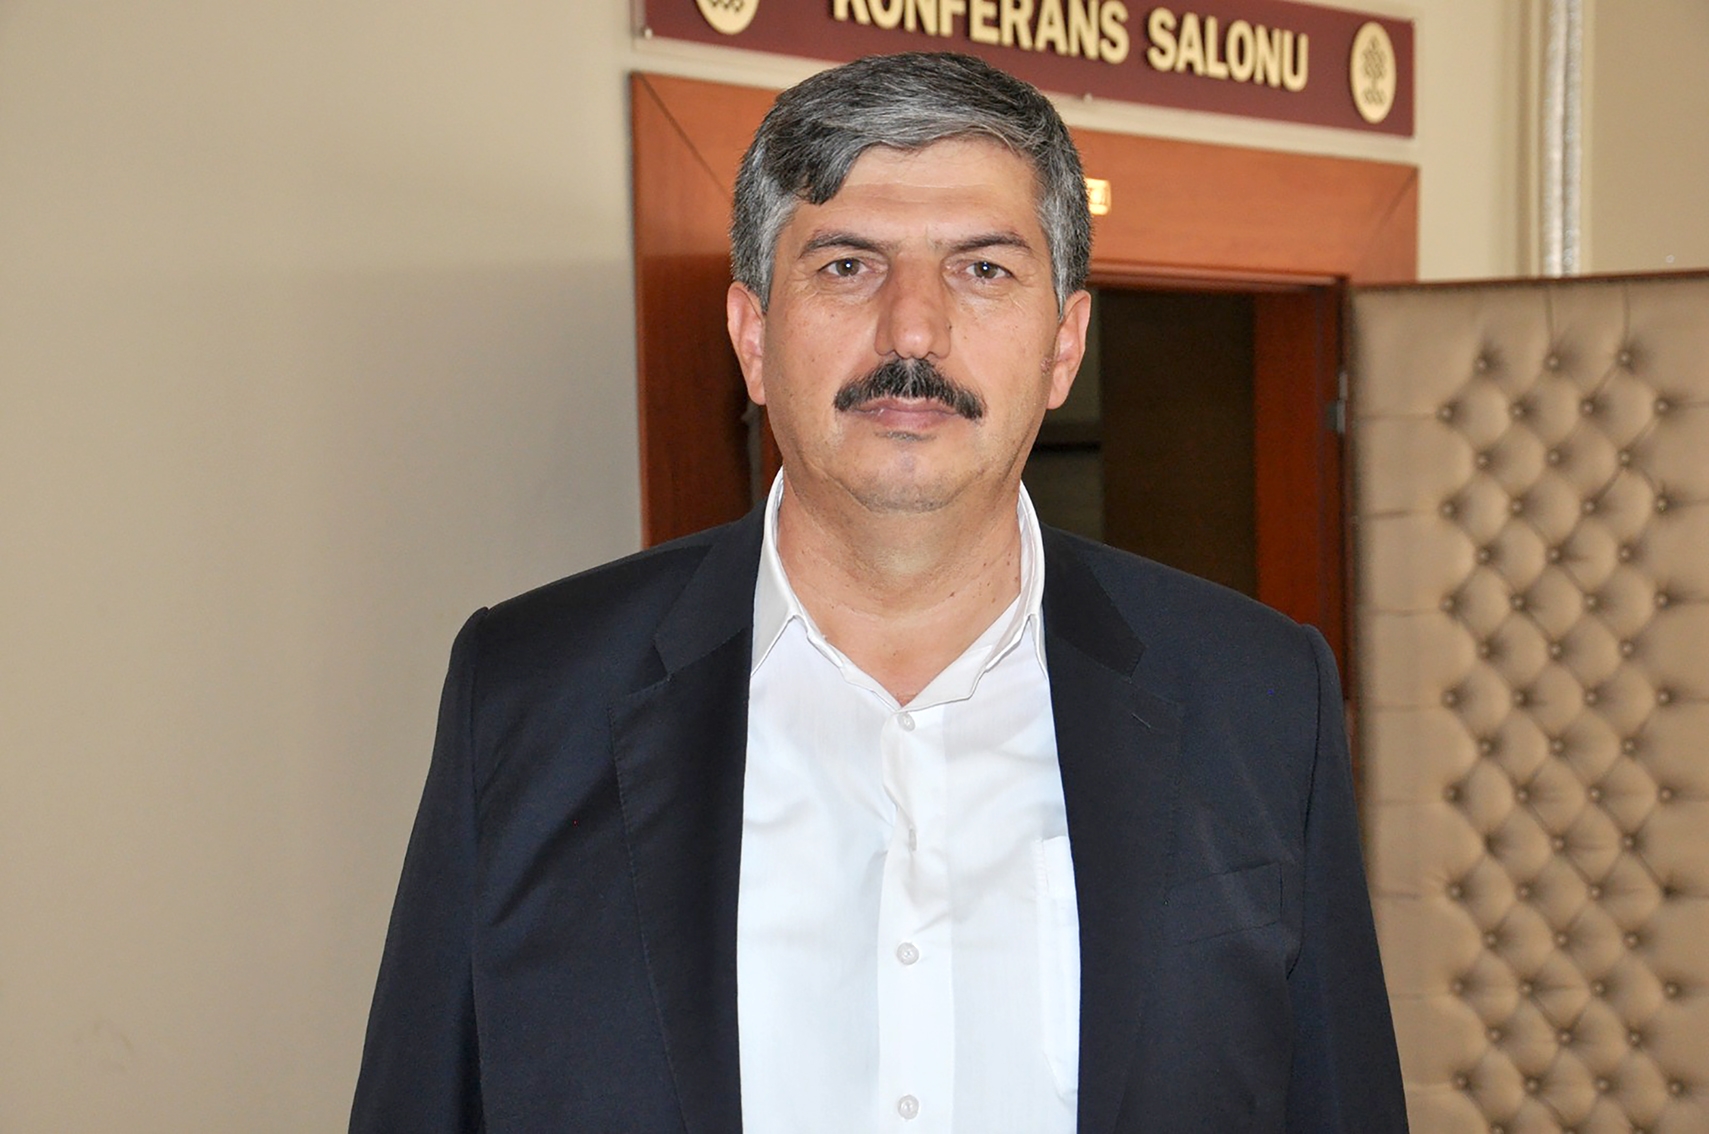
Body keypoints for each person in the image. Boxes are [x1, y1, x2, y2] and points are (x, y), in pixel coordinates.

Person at [351, 51, 1407, 1133]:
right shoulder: (527, 695)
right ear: (753, 336)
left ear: (1063, 346)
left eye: (981, 269)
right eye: (848, 265)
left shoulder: (1256, 697)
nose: (912, 331)